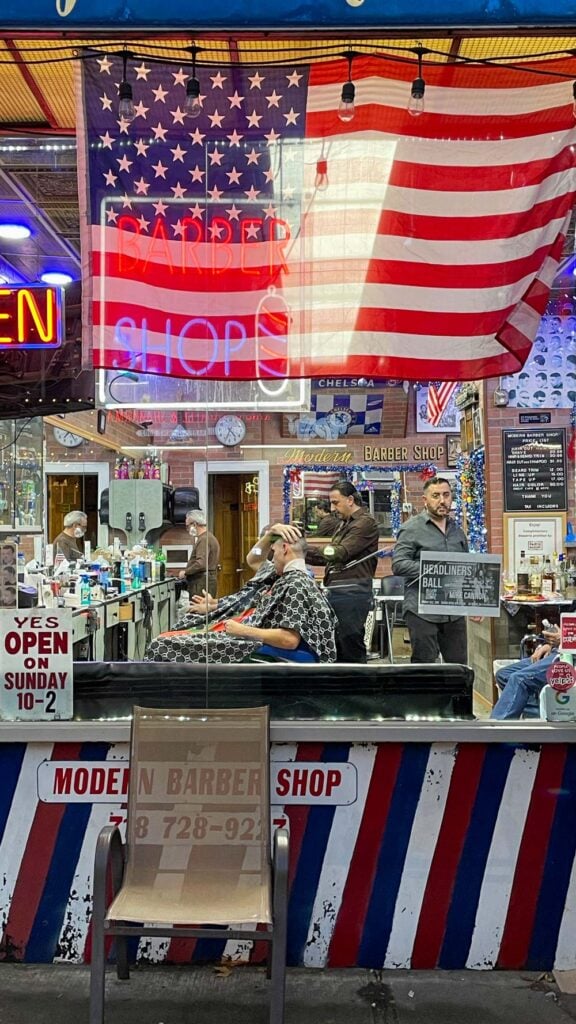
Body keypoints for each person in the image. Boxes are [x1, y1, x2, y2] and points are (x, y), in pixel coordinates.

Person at [146, 533, 336, 664]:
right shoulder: (283, 576)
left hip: (253, 641)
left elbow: (289, 640)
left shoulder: (296, 584)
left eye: (274, 551)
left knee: (161, 644)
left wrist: (242, 629)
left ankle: (159, 703)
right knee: (181, 628)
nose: (273, 557)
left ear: (285, 549)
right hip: (247, 634)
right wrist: (270, 534)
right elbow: (253, 559)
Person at [392, 476, 474, 664]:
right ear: (425, 500)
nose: (442, 500)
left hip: (453, 612)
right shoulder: (411, 528)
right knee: (425, 667)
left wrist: (474, 602)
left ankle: (454, 695)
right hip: (422, 610)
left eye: (446, 495)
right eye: (435, 495)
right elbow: (398, 564)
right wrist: (435, 569)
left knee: (458, 666)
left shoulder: (457, 530)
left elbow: (467, 568)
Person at [306, 482, 379, 663]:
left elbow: (339, 552)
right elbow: (328, 557)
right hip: (339, 592)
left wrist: (301, 549)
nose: (332, 508)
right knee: (338, 644)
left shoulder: (364, 523)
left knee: (350, 644)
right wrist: (299, 553)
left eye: (335, 502)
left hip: (353, 593)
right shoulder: (343, 524)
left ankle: (358, 686)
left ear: (350, 500)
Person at [490, 625, 561, 719]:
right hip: (558, 651)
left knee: (519, 679)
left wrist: (565, 640)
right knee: (503, 675)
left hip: (569, 656)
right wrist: (550, 646)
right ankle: (535, 715)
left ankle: (498, 730)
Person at [179, 509, 220, 598]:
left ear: (194, 524)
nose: (187, 529)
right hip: (206, 581)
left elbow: (201, 564)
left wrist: (185, 572)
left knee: (197, 609)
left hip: (201, 582)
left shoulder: (204, 539)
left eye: (187, 526)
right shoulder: (209, 537)